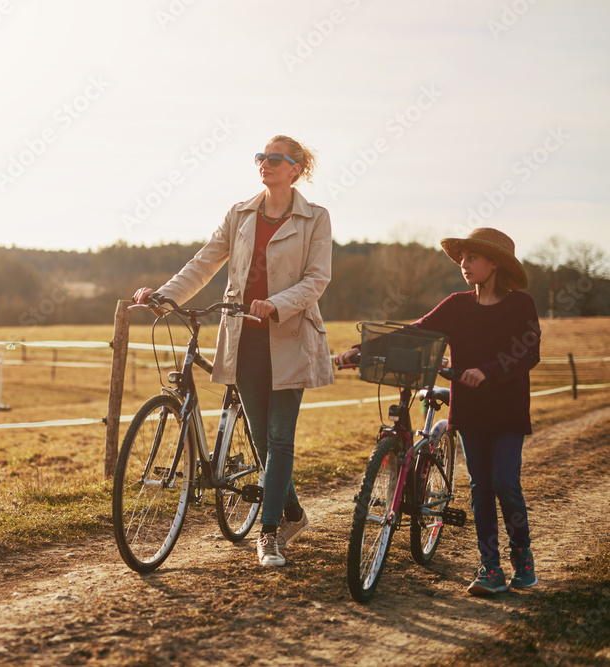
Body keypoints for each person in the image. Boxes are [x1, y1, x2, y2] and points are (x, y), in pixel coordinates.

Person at [134, 134, 335, 567]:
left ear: (296, 168)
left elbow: (317, 279)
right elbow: (205, 261)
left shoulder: (315, 218)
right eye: (261, 156)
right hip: (244, 338)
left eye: (276, 158)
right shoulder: (240, 214)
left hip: (289, 338)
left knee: (279, 437)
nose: (265, 163)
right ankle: (295, 513)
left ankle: (269, 533)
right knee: (264, 441)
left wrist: (276, 304)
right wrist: (168, 296)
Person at [335, 227, 540, 595]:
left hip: (507, 409)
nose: (464, 263)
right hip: (471, 409)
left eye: (472, 257)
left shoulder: (520, 306)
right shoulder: (457, 305)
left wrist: (488, 371)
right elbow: (417, 332)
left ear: (495, 263)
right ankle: (489, 568)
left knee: (505, 483)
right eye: (462, 257)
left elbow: (529, 352)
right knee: (480, 487)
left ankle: (522, 556)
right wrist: (361, 350)